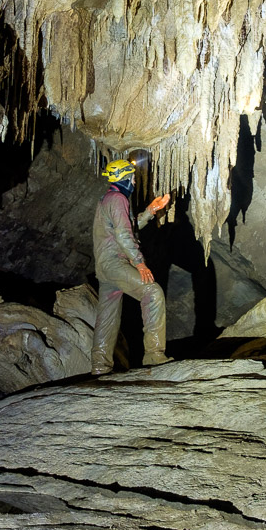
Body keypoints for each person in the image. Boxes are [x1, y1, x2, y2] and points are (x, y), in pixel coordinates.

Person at [91, 158, 172, 376]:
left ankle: (99, 367)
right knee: (152, 292)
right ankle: (154, 355)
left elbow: (128, 225)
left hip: (104, 266)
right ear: (125, 178)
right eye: (133, 177)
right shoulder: (118, 199)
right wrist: (139, 263)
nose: (135, 181)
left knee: (107, 316)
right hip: (115, 262)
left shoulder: (108, 198)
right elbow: (124, 235)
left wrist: (151, 210)